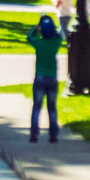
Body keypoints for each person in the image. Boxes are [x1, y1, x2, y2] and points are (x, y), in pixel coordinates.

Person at [31, 13, 63, 143]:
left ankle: (34, 134)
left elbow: (29, 37)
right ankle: (53, 135)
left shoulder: (38, 42)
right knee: (52, 107)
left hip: (39, 78)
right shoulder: (55, 43)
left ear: (42, 32)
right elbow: (59, 36)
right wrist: (54, 29)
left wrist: (37, 26)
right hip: (52, 78)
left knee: (37, 107)